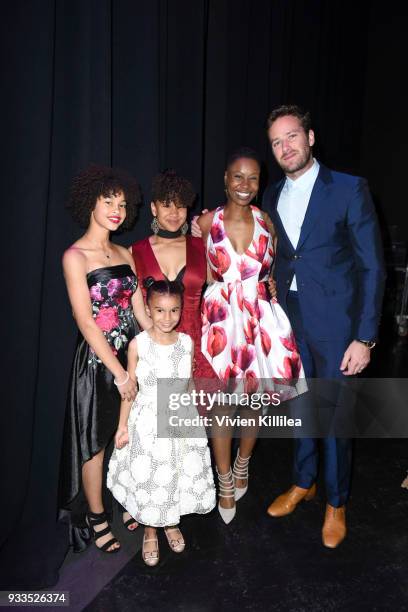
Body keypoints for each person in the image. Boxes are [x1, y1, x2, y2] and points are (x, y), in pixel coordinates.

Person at [263, 105, 385, 548]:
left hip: (338, 325)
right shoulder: (271, 196)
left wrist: (365, 336)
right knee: (300, 408)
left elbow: (373, 266)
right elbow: (278, 256)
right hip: (289, 320)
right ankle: (303, 482)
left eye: (292, 136)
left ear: (310, 138)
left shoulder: (350, 189)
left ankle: (336, 502)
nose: (285, 147)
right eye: (277, 141)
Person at [196, 147, 305, 524]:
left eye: (253, 178)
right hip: (221, 321)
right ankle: (224, 479)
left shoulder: (267, 223)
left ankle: (244, 462)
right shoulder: (207, 222)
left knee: (254, 401)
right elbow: (199, 272)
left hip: (259, 319)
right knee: (223, 406)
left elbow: (274, 269)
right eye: (238, 176)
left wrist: (271, 285)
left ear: (260, 184)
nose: (245, 184)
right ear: (225, 179)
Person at [59, 164, 152, 553]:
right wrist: (118, 374)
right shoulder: (75, 256)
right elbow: (85, 321)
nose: (117, 208)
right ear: (90, 202)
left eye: (122, 202)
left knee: (127, 438)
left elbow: (140, 310)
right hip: (99, 364)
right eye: (108, 200)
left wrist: (158, 349)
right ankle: (97, 515)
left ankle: (124, 498)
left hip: (131, 355)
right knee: (95, 443)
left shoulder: (125, 252)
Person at [108, 278, 216, 566]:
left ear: (181, 310)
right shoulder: (138, 345)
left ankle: (170, 523)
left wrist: (195, 417)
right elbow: (130, 391)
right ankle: (151, 529)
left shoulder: (186, 342)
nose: (167, 318)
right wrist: (122, 426)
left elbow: (188, 383)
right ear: (148, 309)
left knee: (175, 474)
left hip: (180, 419)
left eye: (174, 311)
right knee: (151, 478)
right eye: (159, 311)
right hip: (147, 423)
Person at [131, 169, 216, 382]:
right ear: (153, 208)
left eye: (180, 205)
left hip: (199, 346)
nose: (174, 212)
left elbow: (222, 286)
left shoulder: (202, 246)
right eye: (166, 205)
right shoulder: (134, 252)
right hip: (155, 347)